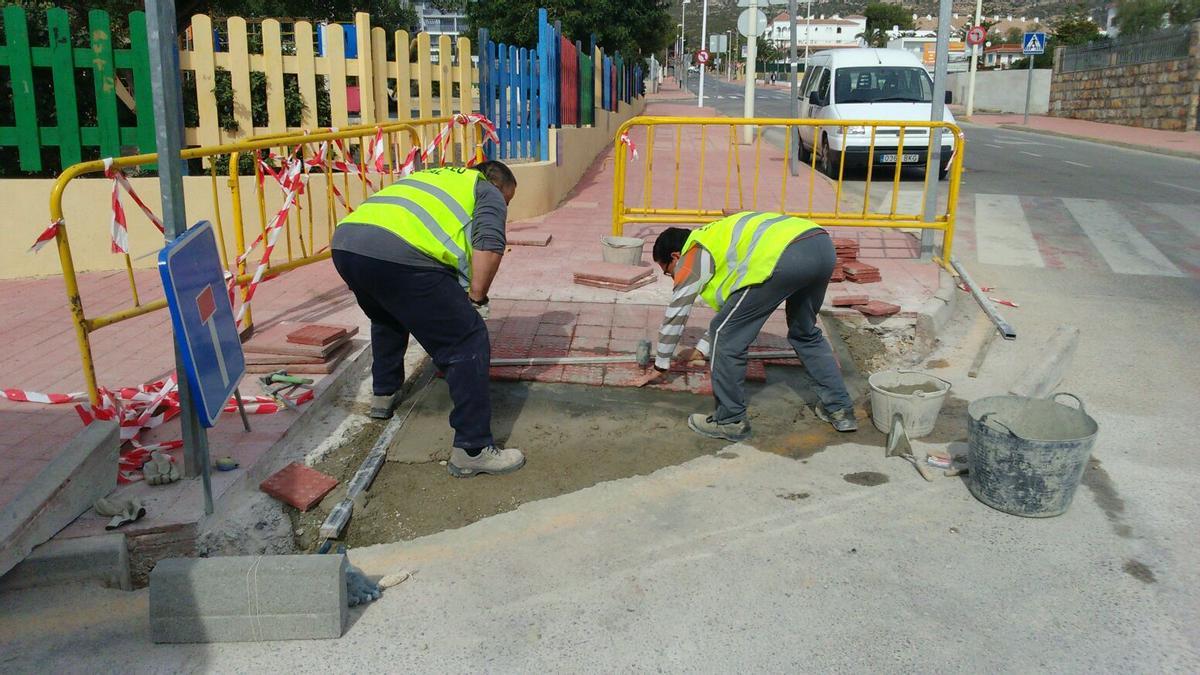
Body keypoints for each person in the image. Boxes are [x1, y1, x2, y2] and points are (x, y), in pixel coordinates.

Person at [331, 162, 524, 478]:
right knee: (467, 338)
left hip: (347, 244)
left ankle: (384, 395)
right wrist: (476, 299)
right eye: (507, 201)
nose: (504, 208)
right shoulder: (485, 188)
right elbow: (489, 243)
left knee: (388, 317)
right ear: (497, 183)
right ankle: (473, 450)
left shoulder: (432, 177)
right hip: (400, 254)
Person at [637, 211, 857, 441]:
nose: (674, 278)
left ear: (675, 256)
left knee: (728, 339)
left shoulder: (694, 250)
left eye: (668, 271)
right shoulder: (717, 240)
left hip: (785, 256)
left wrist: (660, 365)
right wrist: (702, 349)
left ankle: (730, 420)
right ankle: (840, 410)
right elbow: (731, 315)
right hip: (820, 246)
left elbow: (677, 311)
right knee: (805, 333)